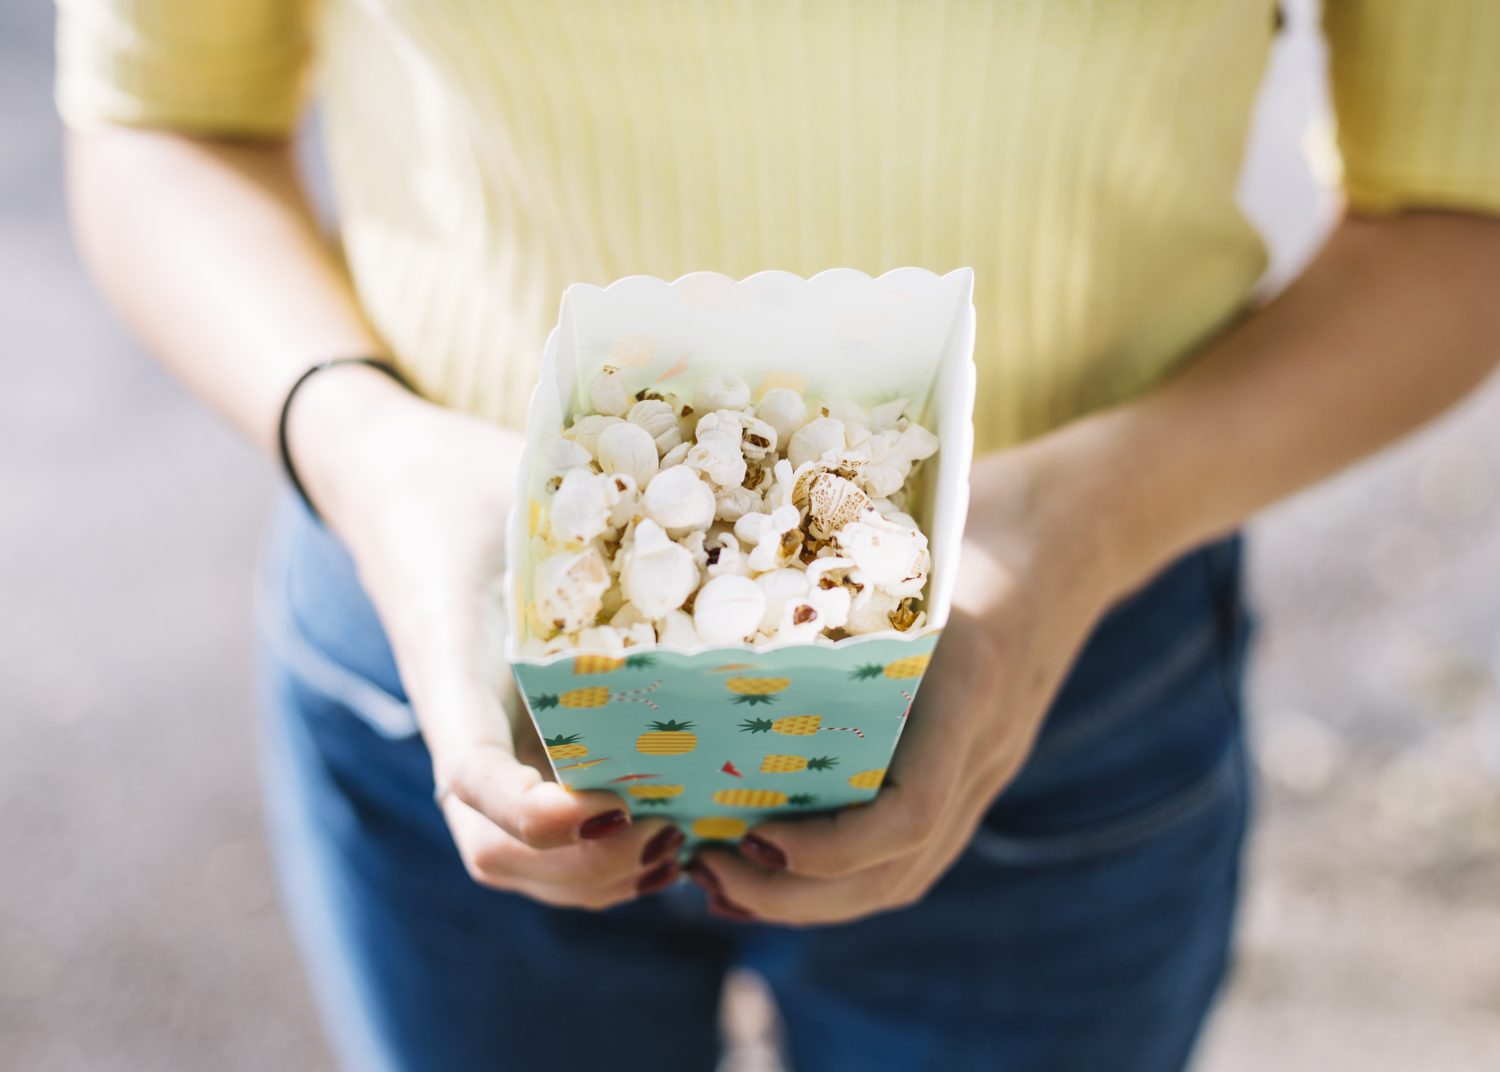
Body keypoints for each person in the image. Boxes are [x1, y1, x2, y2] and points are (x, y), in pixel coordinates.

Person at [54, 1, 1500, 1069]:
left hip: (1061, 677)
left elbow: (1460, 201)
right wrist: (370, 456)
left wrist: (1071, 527)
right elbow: (159, 113)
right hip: (440, 642)